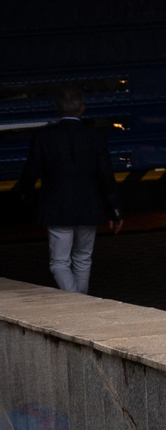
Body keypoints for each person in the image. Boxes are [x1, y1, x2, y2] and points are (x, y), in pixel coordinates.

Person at [19, 88, 122, 294]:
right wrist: (115, 209)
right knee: (83, 259)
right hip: (90, 207)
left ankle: (77, 305)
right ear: (83, 109)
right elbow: (106, 175)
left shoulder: (43, 136)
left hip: (57, 208)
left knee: (59, 263)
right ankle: (81, 304)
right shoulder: (95, 136)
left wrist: (24, 198)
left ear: (57, 109)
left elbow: (31, 172)